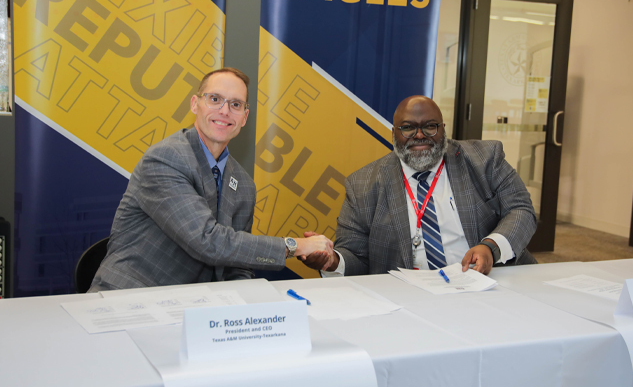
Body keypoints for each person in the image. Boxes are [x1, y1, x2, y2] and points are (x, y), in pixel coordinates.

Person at [89, 68, 333, 291]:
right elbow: (208, 241)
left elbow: (237, 265)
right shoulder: (166, 158)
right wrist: (296, 246)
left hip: (195, 309)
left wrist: (242, 309)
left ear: (245, 117)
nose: (224, 111)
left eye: (236, 104)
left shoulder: (244, 184)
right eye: (215, 99)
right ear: (196, 104)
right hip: (129, 298)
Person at [301, 95, 537, 276]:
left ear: (443, 129)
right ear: (394, 133)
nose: (420, 135)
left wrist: (491, 246)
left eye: (430, 126)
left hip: (488, 280)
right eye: (407, 127)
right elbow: (354, 255)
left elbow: (521, 210)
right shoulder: (363, 184)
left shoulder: (485, 159)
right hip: (409, 297)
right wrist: (333, 262)